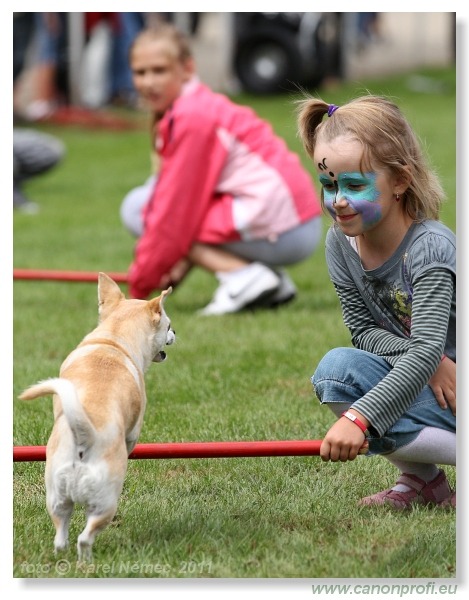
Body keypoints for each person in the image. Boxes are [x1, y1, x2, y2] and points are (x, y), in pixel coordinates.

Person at [297, 95, 456, 508]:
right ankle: (424, 483)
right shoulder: (341, 242)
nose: (339, 200)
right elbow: (364, 331)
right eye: (329, 185)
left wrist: (360, 419)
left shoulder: (430, 249)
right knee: (336, 373)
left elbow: (426, 351)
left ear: (400, 181)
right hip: (432, 378)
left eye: (354, 185)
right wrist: (428, 358)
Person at [120, 24, 323, 315]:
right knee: (151, 197)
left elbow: (172, 216)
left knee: (140, 207)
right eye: (140, 72)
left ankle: (245, 278)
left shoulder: (192, 117)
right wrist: (173, 264)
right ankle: (270, 282)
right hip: (294, 219)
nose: (149, 82)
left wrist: (138, 290)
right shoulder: (196, 106)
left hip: (287, 226)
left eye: (159, 70)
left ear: (187, 68)